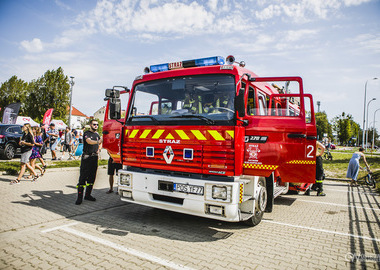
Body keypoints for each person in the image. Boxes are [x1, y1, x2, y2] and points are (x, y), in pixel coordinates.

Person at [75, 120, 102, 205]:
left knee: (92, 178)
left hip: (94, 158)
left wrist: (99, 149)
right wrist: (98, 142)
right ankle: (79, 198)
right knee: (83, 178)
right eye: (94, 124)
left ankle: (88, 195)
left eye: (97, 125)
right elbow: (89, 141)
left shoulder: (97, 134)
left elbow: (100, 144)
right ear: (90, 125)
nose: (96, 126)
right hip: (87, 157)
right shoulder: (87, 133)